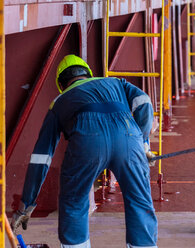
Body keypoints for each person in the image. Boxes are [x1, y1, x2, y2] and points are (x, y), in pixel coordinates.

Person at [11, 54, 158, 248]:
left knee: (74, 202)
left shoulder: (59, 102)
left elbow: (41, 158)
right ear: (88, 74)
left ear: (61, 85)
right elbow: (144, 101)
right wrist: (143, 144)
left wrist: (26, 204)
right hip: (129, 139)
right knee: (140, 201)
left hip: (87, 144)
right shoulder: (115, 82)